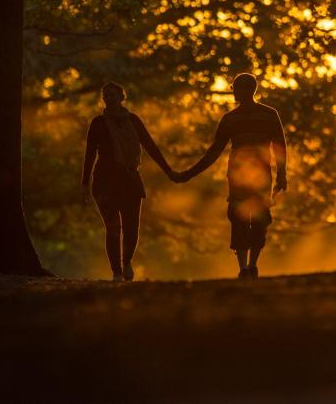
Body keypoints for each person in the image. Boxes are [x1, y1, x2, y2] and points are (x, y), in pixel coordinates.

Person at [173, 73, 287, 279]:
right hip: (238, 177)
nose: (235, 92)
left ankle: (251, 265)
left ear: (249, 90)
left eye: (237, 88)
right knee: (239, 218)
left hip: (261, 175)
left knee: (259, 219)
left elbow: (279, 145)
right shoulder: (230, 119)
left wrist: (282, 175)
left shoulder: (269, 115)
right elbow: (215, 150)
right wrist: (189, 174)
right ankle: (244, 268)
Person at [81, 82, 175, 281]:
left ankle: (127, 262)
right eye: (105, 95)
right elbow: (89, 154)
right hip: (105, 179)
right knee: (113, 227)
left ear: (122, 97)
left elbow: (150, 146)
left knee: (132, 227)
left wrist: (168, 170)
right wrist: (84, 183)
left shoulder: (133, 120)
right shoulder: (97, 123)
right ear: (103, 99)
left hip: (130, 178)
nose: (109, 98)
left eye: (113, 95)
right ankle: (116, 273)